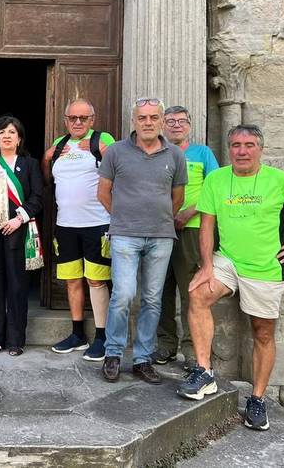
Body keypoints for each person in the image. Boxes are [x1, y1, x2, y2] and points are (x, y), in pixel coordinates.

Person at [177, 124, 284, 431]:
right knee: (198, 293)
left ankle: (257, 399)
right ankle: (204, 372)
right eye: (235, 145)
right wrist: (207, 265)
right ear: (229, 149)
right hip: (228, 261)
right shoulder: (217, 179)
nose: (241, 151)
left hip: (264, 267)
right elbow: (206, 224)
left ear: (260, 149)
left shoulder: (278, 179)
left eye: (248, 145)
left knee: (262, 332)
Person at [98, 98, 187, 384]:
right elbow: (103, 192)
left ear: (161, 120)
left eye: (153, 117)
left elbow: (178, 196)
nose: (147, 122)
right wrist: (123, 218)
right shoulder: (116, 152)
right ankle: (113, 354)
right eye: (142, 118)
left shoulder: (174, 155)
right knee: (123, 295)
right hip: (124, 235)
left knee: (152, 299)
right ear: (133, 121)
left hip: (161, 236)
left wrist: (159, 219)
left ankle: (142, 359)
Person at [42, 99, 115, 361]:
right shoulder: (59, 143)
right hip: (65, 225)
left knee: (96, 280)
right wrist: (46, 157)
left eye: (83, 118)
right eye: (72, 117)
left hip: (96, 223)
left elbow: (119, 166)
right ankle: (77, 334)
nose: (77, 122)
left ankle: (102, 337)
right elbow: (48, 178)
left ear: (92, 120)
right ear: (65, 120)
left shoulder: (102, 139)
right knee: (72, 279)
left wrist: (104, 148)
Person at [152, 106, 219, 368]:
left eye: (181, 121)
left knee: (191, 291)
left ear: (189, 125)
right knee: (159, 290)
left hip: (191, 230)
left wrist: (189, 212)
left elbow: (215, 189)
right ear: (163, 126)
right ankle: (166, 345)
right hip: (159, 229)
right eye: (170, 121)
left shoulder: (202, 153)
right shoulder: (156, 152)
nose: (176, 125)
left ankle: (193, 352)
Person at [0, 115, 43, 357]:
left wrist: (18, 218)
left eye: (12, 132)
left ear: (20, 137)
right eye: (2, 132)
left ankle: (15, 340)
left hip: (18, 231)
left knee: (16, 286)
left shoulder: (30, 164)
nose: (6, 136)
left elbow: (37, 199)